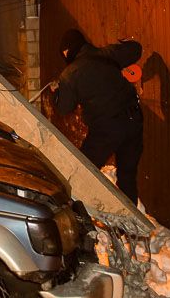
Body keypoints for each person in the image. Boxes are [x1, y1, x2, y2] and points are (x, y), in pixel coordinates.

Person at [51, 28, 143, 205]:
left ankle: (79, 211)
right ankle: (130, 218)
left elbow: (64, 108)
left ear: (68, 52)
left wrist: (56, 93)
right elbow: (136, 49)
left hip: (106, 128)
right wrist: (124, 42)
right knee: (127, 176)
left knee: (84, 172)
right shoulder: (107, 54)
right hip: (133, 121)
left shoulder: (69, 75)